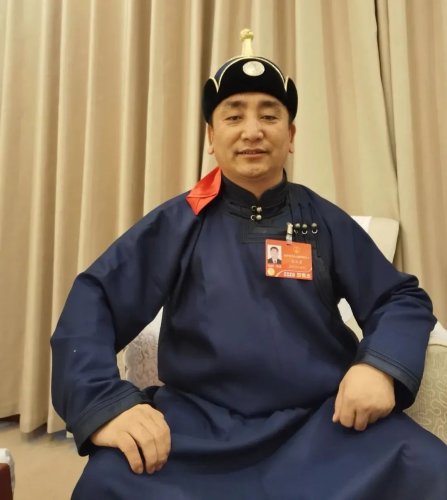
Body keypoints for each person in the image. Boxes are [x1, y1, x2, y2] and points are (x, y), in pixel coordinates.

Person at [51, 30, 447, 499]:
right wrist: (106, 402)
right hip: (198, 431)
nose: (253, 131)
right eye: (234, 116)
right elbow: (94, 299)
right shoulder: (177, 222)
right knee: (105, 481)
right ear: (211, 137)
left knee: (431, 468)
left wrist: (379, 368)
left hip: (321, 424)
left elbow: (399, 297)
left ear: (291, 136)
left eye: (270, 115)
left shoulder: (323, 220)